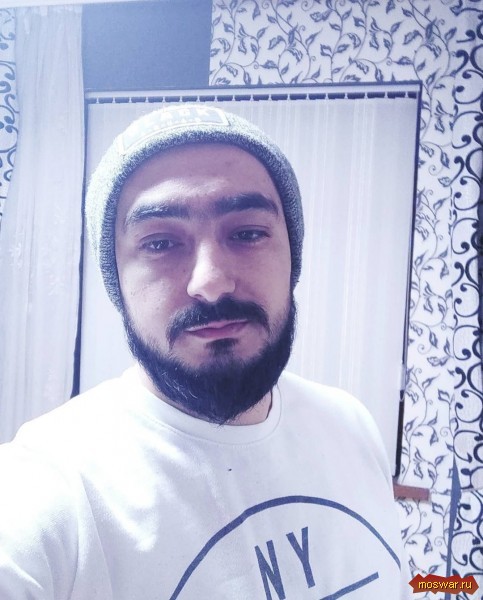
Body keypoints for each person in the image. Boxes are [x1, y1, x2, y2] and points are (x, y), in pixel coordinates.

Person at [0, 104, 409, 599]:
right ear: (117, 281)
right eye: (160, 243)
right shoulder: (50, 491)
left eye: (248, 233)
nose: (211, 282)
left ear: (292, 257)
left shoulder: (352, 427)